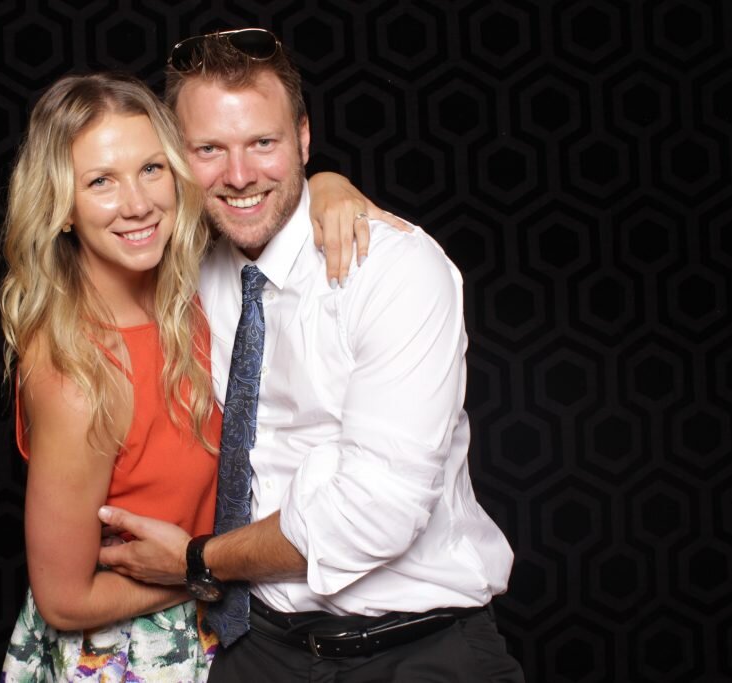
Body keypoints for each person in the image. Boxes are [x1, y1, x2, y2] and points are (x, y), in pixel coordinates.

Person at [98, 29, 526, 682]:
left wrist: (196, 560)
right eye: (208, 148)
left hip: (416, 651)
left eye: (262, 143)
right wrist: (327, 182)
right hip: (257, 647)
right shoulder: (189, 267)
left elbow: (371, 516)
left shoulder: (393, 271)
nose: (239, 175)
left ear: (301, 138)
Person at [0, 70, 397, 681]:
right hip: (134, 655)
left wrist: (328, 186)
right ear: (62, 208)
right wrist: (205, 574)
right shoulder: (76, 373)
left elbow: (257, 192)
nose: (137, 203)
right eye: (100, 181)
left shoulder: (198, 279)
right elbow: (63, 598)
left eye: (152, 169)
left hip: (250, 635)